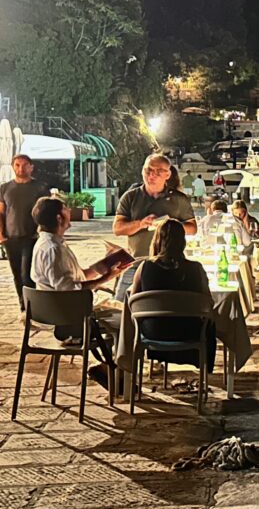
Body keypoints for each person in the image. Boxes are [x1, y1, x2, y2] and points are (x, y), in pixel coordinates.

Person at [29, 196, 123, 370]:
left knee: (119, 312)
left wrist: (106, 265)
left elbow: (77, 276)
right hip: (68, 318)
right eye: (66, 209)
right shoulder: (52, 249)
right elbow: (69, 289)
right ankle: (118, 373)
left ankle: (111, 368)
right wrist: (104, 279)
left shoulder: (53, 244)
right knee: (126, 321)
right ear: (59, 218)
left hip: (64, 310)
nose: (70, 212)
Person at [130, 219, 216, 371]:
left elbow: (134, 303)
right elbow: (208, 303)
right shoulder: (196, 269)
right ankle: (204, 366)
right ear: (182, 241)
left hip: (153, 331)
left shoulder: (144, 268)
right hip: (189, 332)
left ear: (158, 240)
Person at [113, 154, 197, 299]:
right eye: (148, 170)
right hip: (136, 262)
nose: (152, 175)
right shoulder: (130, 197)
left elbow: (192, 228)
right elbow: (118, 228)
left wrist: (170, 225)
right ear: (142, 171)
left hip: (172, 263)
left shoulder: (178, 199)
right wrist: (140, 223)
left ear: (167, 174)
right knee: (121, 306)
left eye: (158, 171)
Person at [0, 154, 52, 311]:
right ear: (13, 166)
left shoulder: (40, 187)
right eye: (17, 165)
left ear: (31, 167)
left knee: (27, 274)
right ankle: (24, 306)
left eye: (24, 165)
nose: (20, 168)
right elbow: (1, 213)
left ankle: (33, 308)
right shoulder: (5, 188)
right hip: (11, 237)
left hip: (32, 237)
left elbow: (46, 211)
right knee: (17, 275)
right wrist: (1, 234)